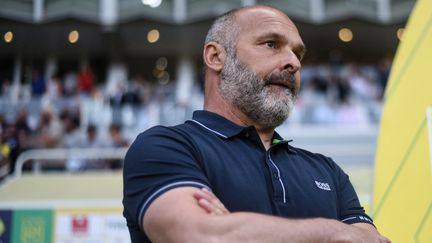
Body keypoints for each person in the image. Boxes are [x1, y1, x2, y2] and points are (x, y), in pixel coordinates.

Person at [123, 5, 391, 243]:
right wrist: (335, 232)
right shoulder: (165, 147)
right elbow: (200, 235)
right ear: (216, 56)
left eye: (298, 53)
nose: (293, 63)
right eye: (271, 44)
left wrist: (236, 230)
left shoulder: (328, 171)